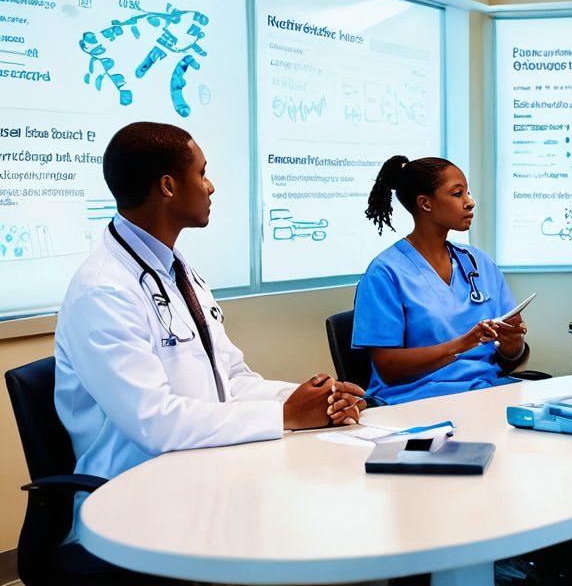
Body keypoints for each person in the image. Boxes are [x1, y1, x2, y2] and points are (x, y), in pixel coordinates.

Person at [55, 123, 365, 543]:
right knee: (296, 528)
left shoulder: (178, 272)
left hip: (203, 471)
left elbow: (232, 379)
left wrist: (311, 400)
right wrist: (286, 415)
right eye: (202, 173)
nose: (211, 186)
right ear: (168, 186)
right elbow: (155, 423)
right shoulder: (103, 290)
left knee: (324, 507)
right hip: (134, 498)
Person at [353, 155, 529, 404]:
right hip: (418, 400)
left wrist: (513, 345)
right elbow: (388, 368)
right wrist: (461, 344)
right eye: (458, 194)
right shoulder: (385, 273)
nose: (470, 203)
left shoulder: (480, 263)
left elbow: (511, 360)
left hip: (487, 392)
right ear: (425, 203)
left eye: (468, 193)